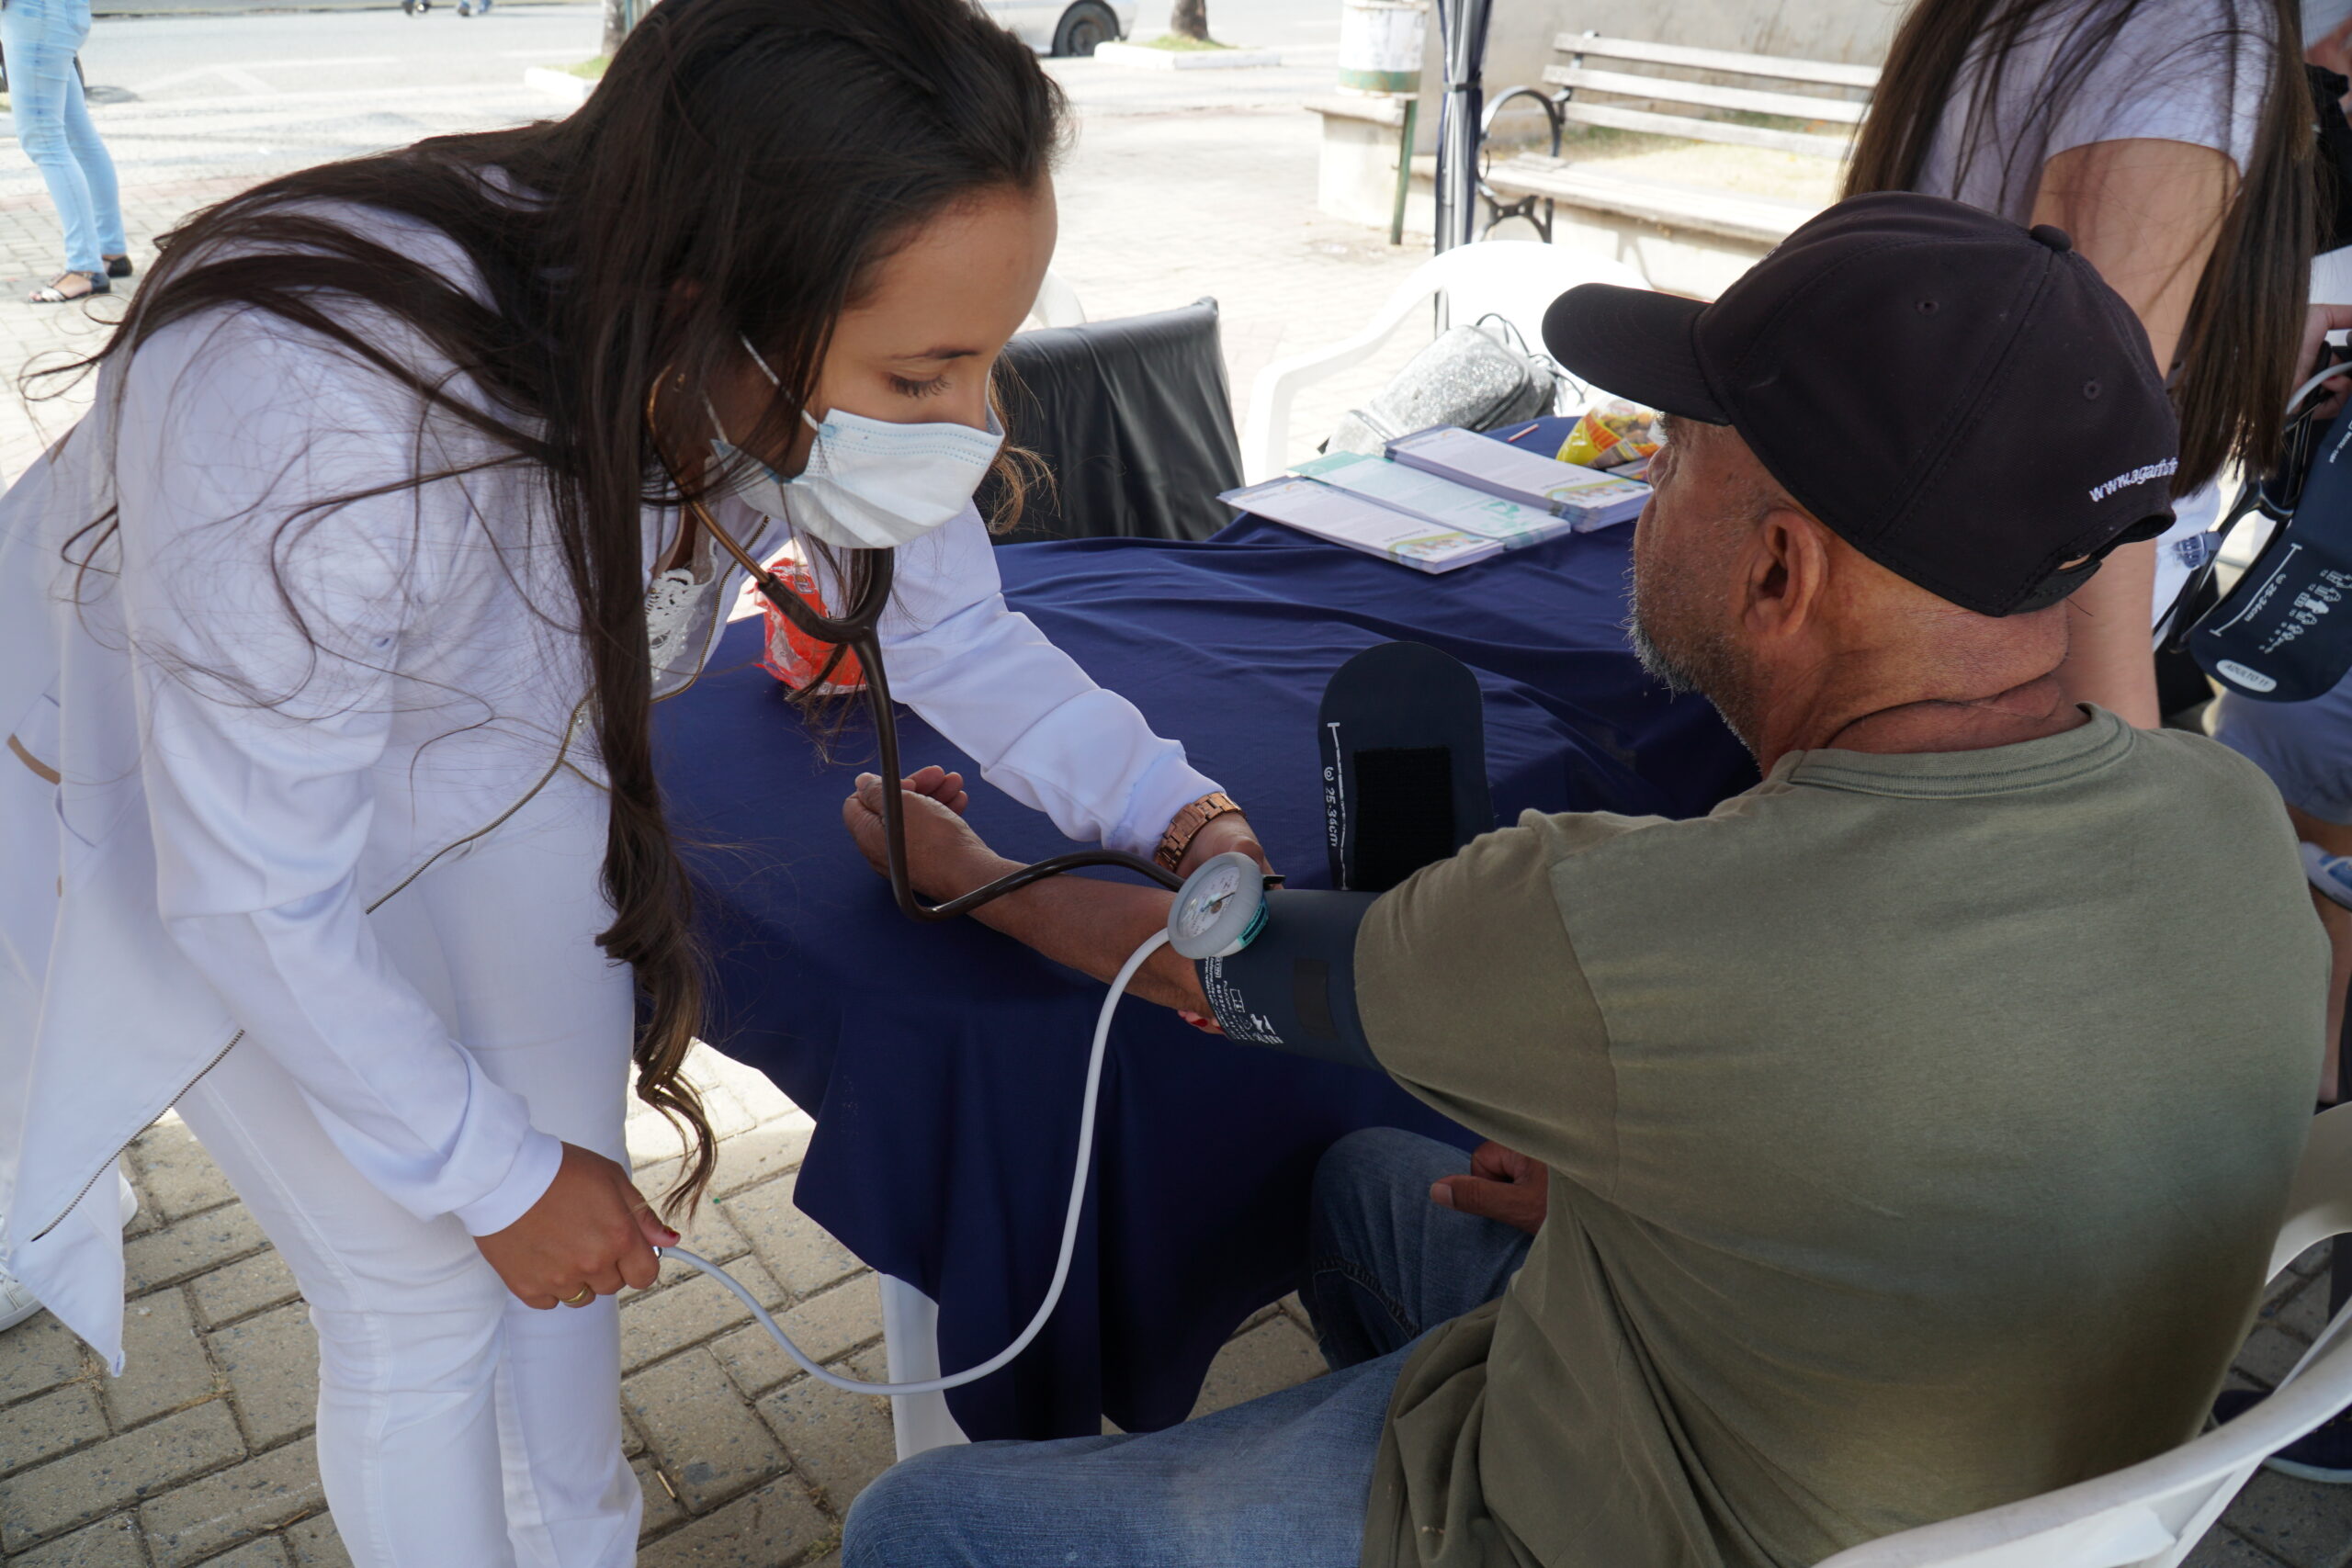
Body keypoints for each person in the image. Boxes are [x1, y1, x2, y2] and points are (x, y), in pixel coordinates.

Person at [833, 195, 2329, 1568]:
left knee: (924, 1523)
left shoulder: (1625, 922)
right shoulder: (2233, 820)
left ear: (1779, 571)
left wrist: (973, 872)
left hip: (1638, 1523)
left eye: (1671, 455)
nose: (1645, 484)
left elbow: (1220, 964)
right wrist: (1683, 1189)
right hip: (2015, 1496)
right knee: (1368, 1182)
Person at [0, 1, 1268, 1562]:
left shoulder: (774, 336)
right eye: (929, 372)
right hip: (184, 799)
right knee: (418, 1281)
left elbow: (961, 642)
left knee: (568, 1201)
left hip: (495, 747)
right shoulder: (304, 401)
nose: (972, 427)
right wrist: (486, 1171)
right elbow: (253, 888)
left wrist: (1176, 810)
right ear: (705, 301)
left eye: (985, 363)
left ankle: (582, 1534)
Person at [1846, 0, 2317, 727]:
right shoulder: (2192, 22)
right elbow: (2087, 462)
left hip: (1908, 611)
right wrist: (2117, 786)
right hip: (1997, 671)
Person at [4, 0, 130, 303]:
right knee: (78, 137)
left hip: (33, 14)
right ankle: (109, 251)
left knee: (45, 141)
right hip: (60, 11)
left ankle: (84, 269)